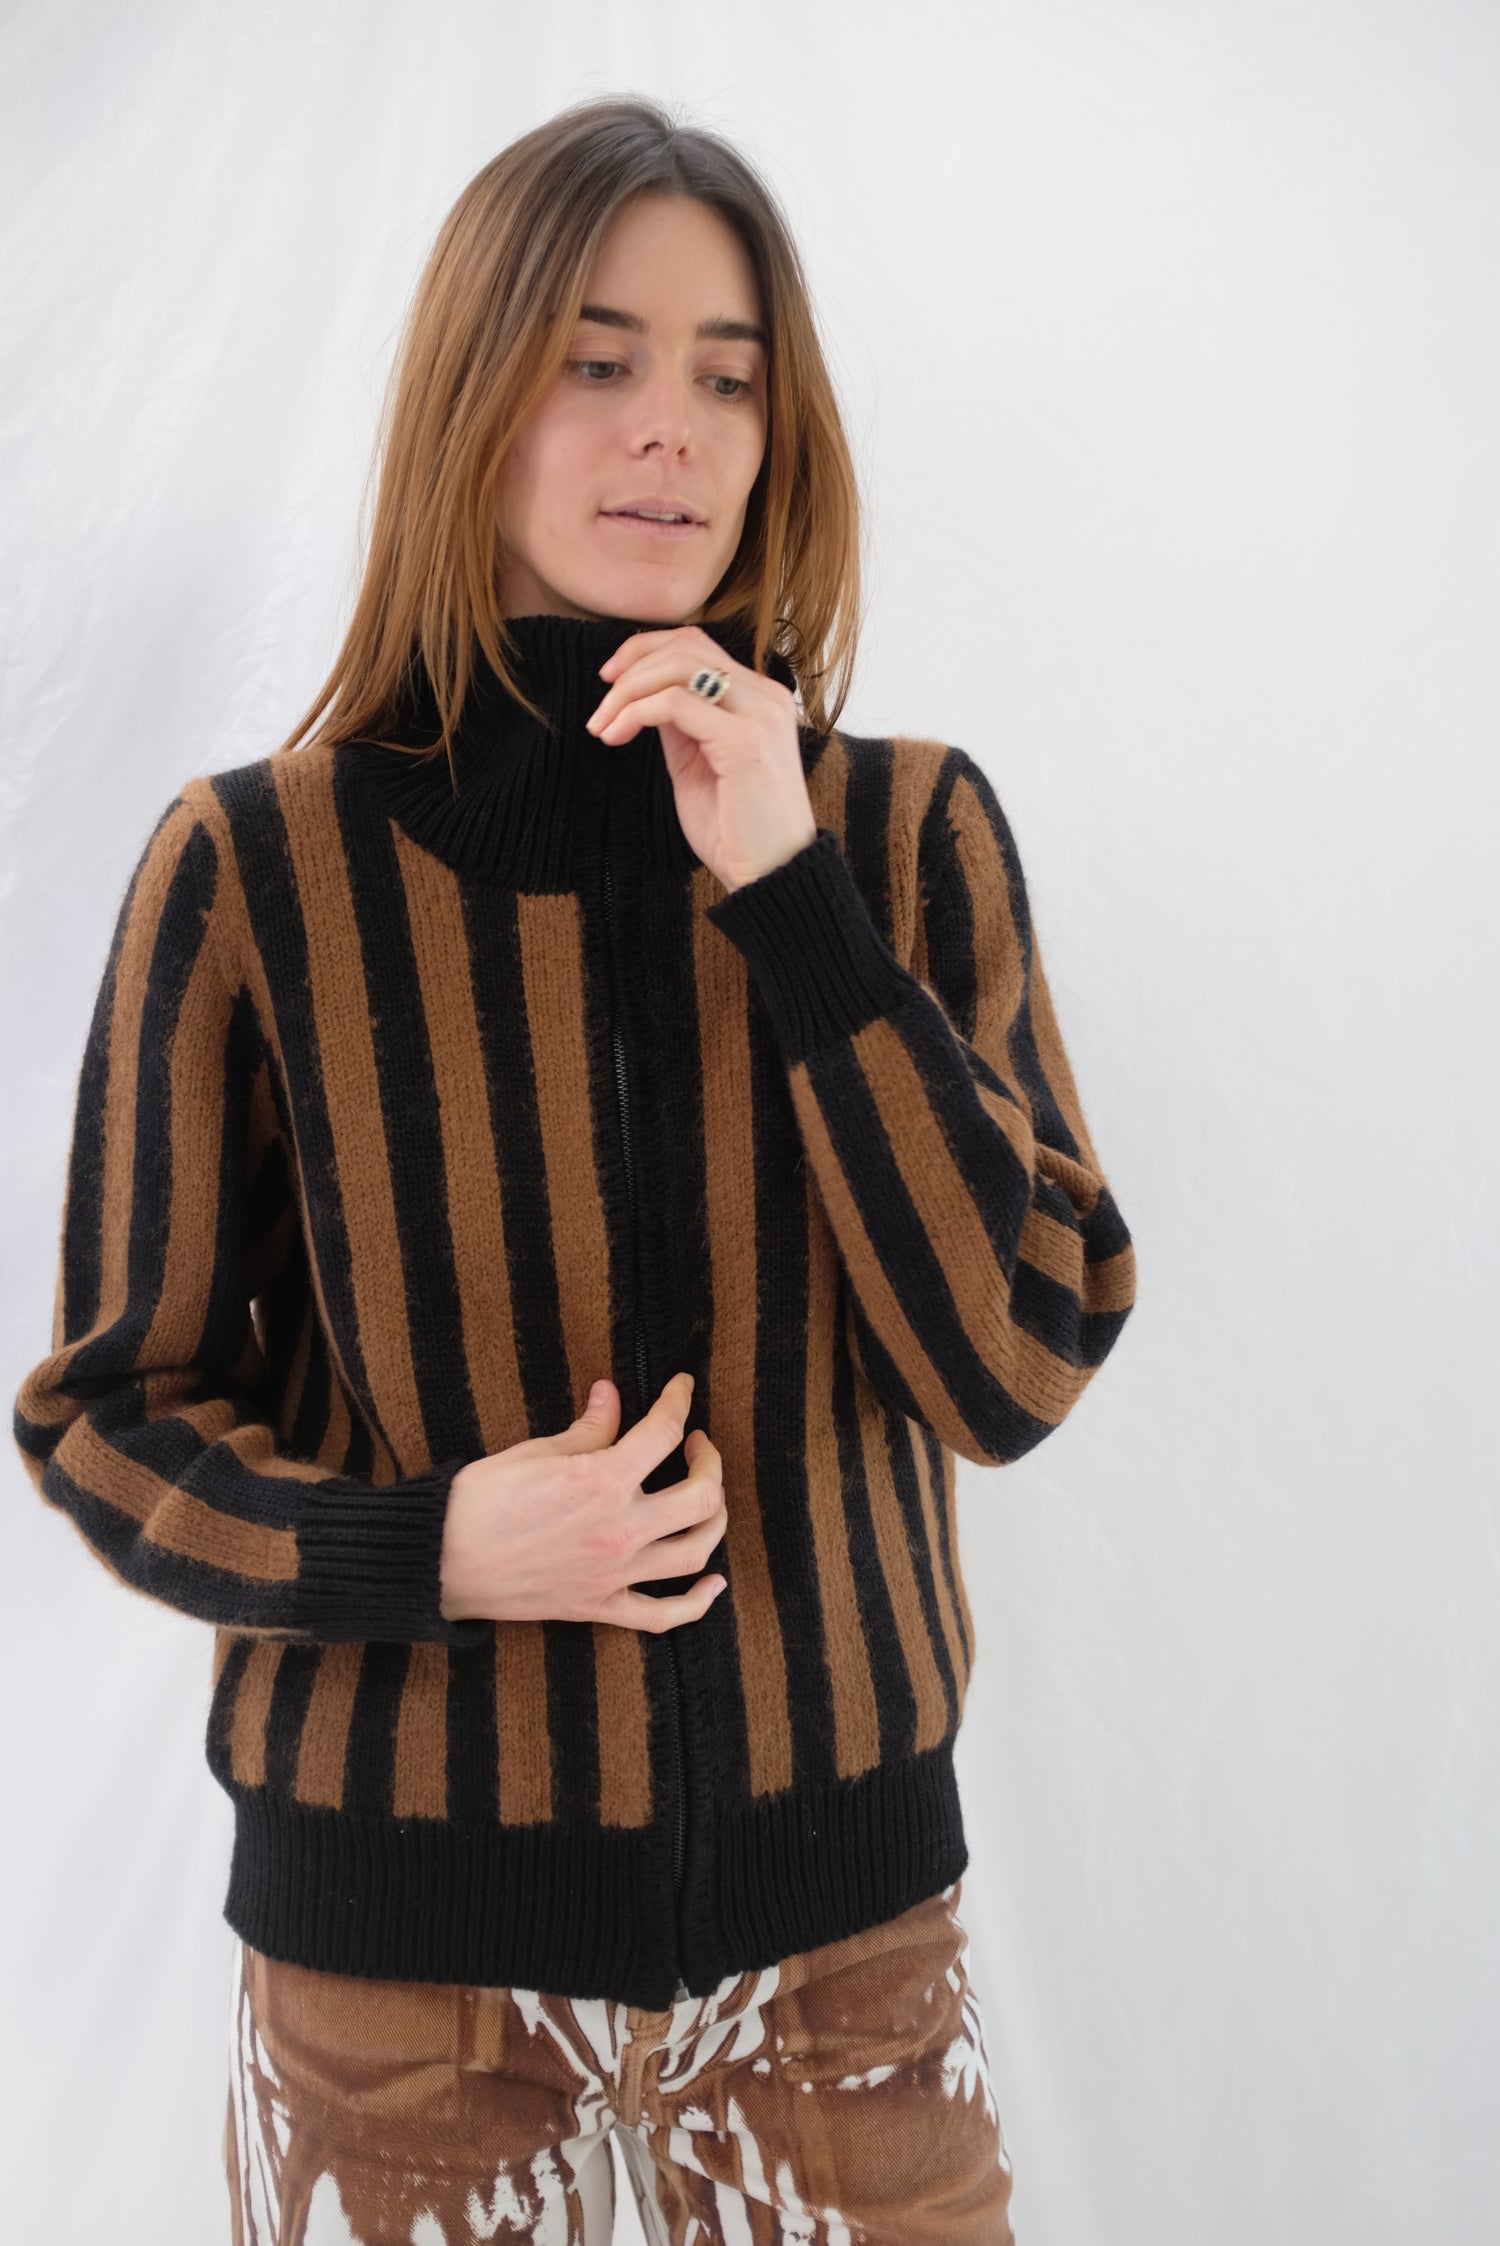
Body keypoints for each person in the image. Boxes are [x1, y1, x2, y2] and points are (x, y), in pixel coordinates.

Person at [14, 92, 1137, 2243]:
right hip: (397, 1991)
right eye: (596, 360)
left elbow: (1015, 1362)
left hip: (844, 1976)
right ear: (476, 393)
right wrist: (427, 1546)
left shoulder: (901, 838)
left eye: (730, 377)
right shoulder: (255, 870)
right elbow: (108, 1414)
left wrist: (793, 897)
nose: (671, 432)